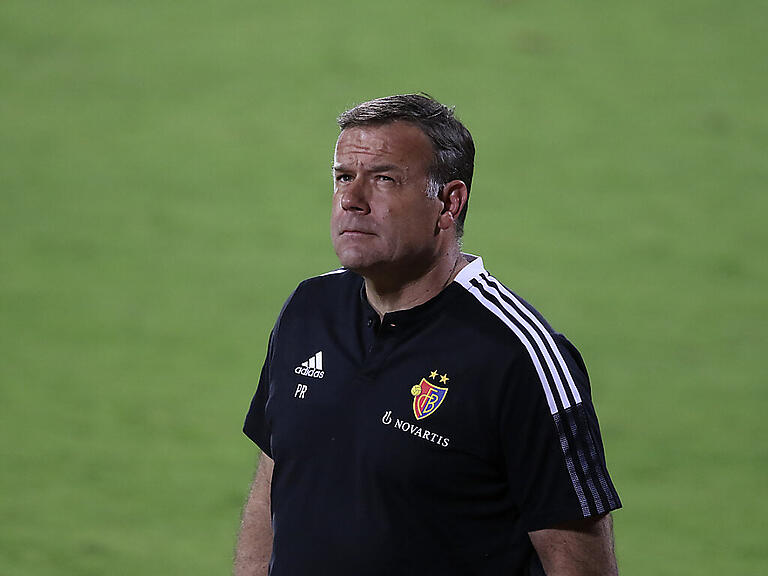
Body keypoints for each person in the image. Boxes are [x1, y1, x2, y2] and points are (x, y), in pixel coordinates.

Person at [235, 94, 621, 576]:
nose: (352, 200)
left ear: (448, 202)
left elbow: (578, 563)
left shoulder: (517, 356)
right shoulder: (308, 310)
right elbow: (271, 485)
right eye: (343, 177)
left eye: (384, 179)